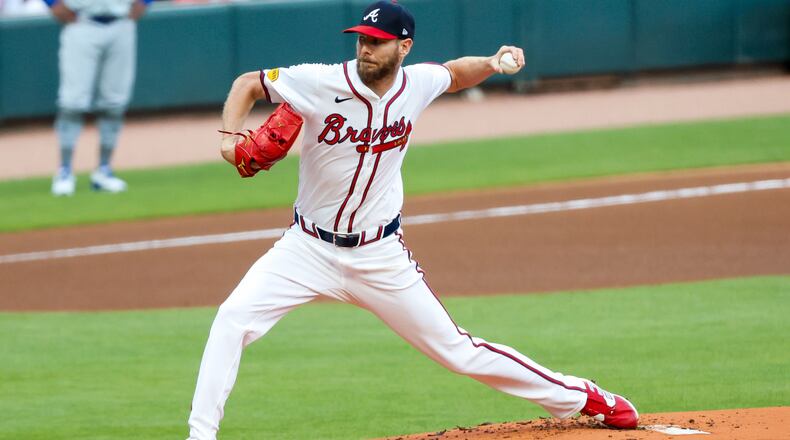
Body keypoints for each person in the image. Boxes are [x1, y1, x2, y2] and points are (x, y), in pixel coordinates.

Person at [187, 2, 639, 439]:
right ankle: (200, 436)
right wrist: (228, 138)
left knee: (460, 352)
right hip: (305, 249)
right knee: (232, 319)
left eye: (378, 42)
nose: (365, 48)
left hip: (380, 256)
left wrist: (492, 62)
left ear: (404, 47)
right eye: (362, 38)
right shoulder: (318, 81)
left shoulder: (416, 84)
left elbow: (456, 74)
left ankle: (583, 396)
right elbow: (249, 83)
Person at [46, 0, 151, 196]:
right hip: (80, 22)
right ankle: (64, 171)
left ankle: (104, 170)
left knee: (114, 104)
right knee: (72, 103)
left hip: (122, 21)